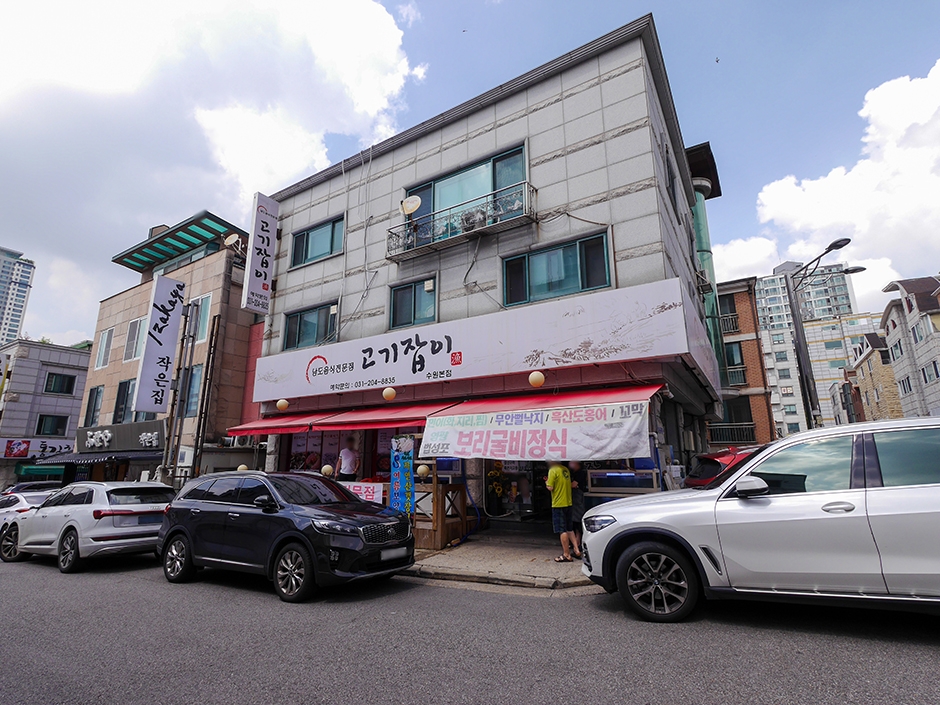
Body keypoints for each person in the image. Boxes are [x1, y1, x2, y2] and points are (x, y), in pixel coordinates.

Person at [545, 461, 581, 562]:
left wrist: (547, 482)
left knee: (562, 530)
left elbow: (550, 487)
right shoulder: (565, 470)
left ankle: (566, 554)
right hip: (568, 502)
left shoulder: (553, 470)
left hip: (558, 503)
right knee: (570, 528)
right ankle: (577, 550)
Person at [569, 461, 587, 547]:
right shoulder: (574, 473)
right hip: (575, 498)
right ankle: (576, 542)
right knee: (574, 520)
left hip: (578, 498)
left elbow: (574, 485)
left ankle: (578, 542)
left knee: (578, 520)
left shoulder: (580, 473)